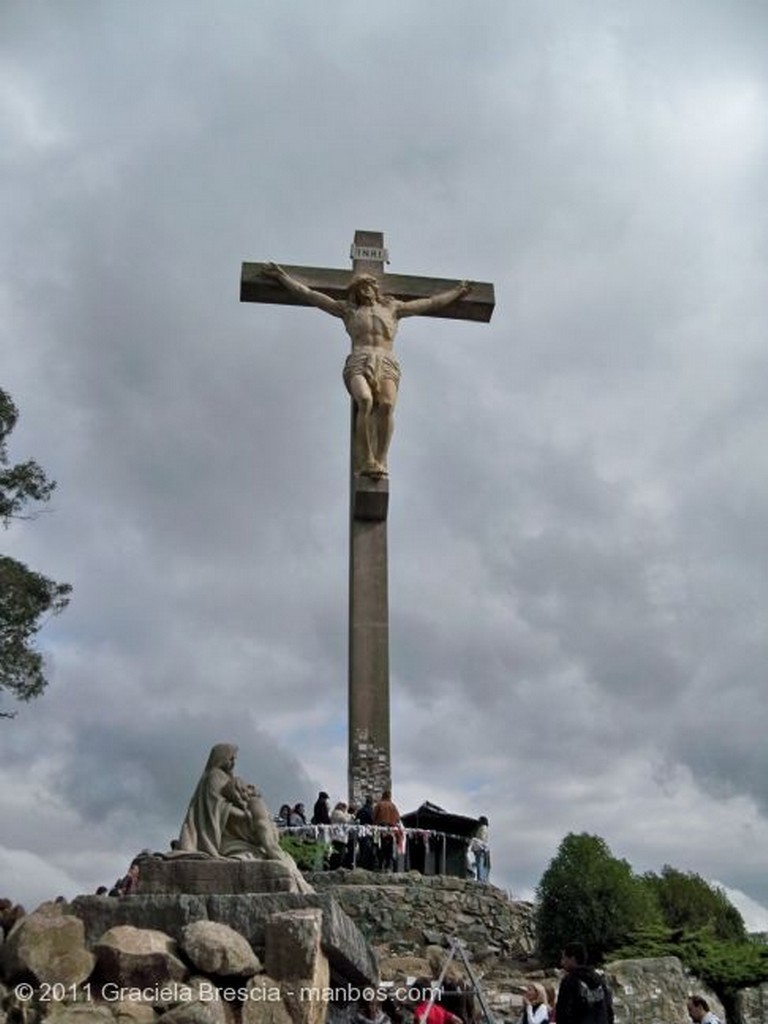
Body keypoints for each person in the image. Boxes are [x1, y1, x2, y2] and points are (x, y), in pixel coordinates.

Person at [263, 262, 472, 478]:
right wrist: (282, 277)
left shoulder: (393, 308)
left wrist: (457, 291)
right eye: (359, 289)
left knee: (387, 405)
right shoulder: (348, 310)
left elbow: (430, 302)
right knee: (364, 400)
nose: (364, 291)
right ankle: (367, 459)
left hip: (387, 361)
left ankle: (380, 460)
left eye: (367, 287)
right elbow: (309, 294)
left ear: (375, 289)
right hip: (359, 360)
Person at [177, 742, 312, 893]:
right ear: (221, 758)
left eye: (234, 759)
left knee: (266, 837)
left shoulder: (228, 778)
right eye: (230, 758)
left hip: (243, 828)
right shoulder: (214, 776)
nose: (233, 763)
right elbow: (218, 808)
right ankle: (273, 851)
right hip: (224, 833)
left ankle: (274, 851)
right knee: (264, 835)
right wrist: (246, 817)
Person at [555, 943, 614, 1024]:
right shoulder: (599, 979)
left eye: (564, 958)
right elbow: (608, 1008)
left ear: (572, 958)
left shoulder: (570, 981)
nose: (562, 963)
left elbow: (563, 1013)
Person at [373, 789, 401, 871]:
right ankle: (388, 867)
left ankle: (380, 865)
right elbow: (398, 818)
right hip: (391, 830)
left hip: (380, 829)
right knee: (389, 849)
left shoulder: (379, 805)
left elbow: (373, 817)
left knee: (379, 847)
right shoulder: (393, 806)